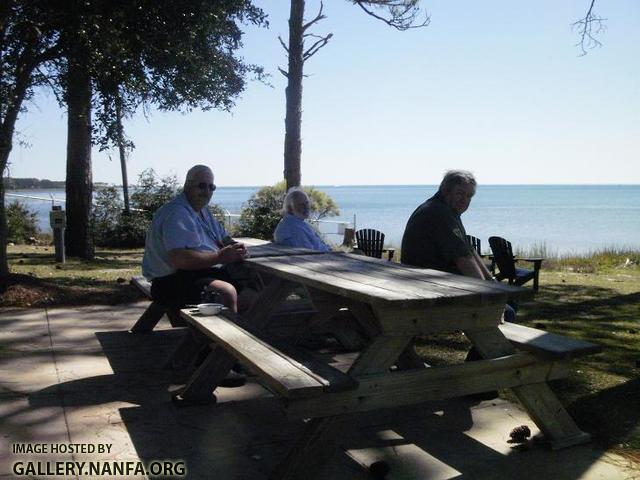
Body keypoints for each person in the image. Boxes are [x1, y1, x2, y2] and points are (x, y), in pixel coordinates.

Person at [401, 170, 516, 319]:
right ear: (445, 191)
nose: (464, 200)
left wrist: (493, 284)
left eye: (469, 196)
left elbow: (468, 250)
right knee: (507, 312)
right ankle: (491, 341)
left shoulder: (445, 209)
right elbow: (463, 260)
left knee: (508, 299)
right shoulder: (440, 214)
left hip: (426, 282)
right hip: (428, 289)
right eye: (460, 193)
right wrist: (489, 297)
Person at [142, 164, 248, 313]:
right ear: (187, 185)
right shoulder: (177, 213)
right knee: (226, 293)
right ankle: (220, 335)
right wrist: (220, 256)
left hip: (198, 273)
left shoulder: (202, 211)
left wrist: (235, 248)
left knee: (256, 283)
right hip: (171, 282)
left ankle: (241, 327)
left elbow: (224, 238)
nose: (207, 191)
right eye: (202, 186)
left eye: (212, 187)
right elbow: (181, 260)